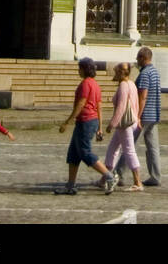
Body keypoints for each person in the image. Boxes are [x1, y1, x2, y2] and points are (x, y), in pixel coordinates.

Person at [59, 58, 119, 194]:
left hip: (85, 122)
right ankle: (70, 185)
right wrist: (100, 127)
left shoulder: (85, 84)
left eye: (79, 68)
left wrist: (67, 122)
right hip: (91, 121)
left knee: (85, 152)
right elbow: (99, 106)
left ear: (85, 69)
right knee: (73, 153)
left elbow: (81, 104)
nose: (78, 70)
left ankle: (109, 176)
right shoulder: (96, 85)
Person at [104, 62, 143, 192]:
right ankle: (104, 178)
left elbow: (120, 108)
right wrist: (137, 119)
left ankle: (137, 182)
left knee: (129, 151)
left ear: (120, 72)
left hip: (123, 124)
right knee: (112, 149)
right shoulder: (132, 84)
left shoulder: (123, 85)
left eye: (116, 72)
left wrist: (111, 124)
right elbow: (136, 103)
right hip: (130, 122)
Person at [136, 46, 162, 186]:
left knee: (130, 146)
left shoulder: (145, 73)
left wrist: (138, 115)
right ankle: (155, 176)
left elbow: (143, 96)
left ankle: (119, 174)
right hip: (154, 115)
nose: (136, 60)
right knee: (153, 148)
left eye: (138, 57)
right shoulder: (155, 72)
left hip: (145, 115)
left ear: (143, 58)